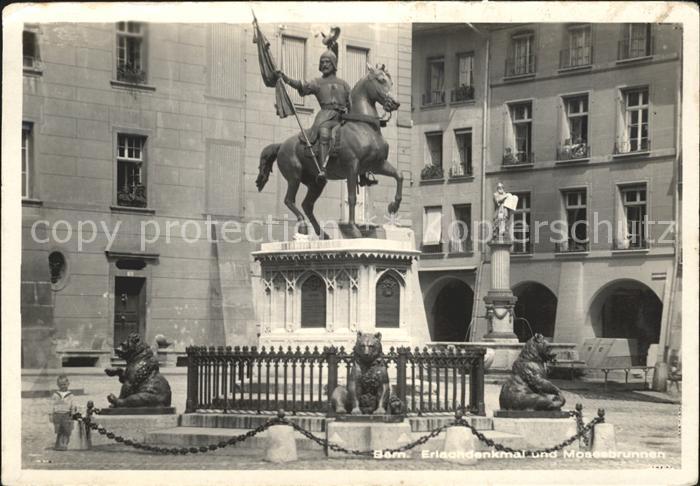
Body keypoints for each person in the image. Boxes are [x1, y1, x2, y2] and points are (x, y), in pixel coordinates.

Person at [279, 46, 351, 182]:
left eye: (327, 62)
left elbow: (351, 103)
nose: (324, 64)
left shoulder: (344, 84)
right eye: (322, 62)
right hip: (325, 117)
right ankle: (323, 169)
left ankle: (363, 172)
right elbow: (302, 85)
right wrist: (287, 79)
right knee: (324, 133)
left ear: (334, 64)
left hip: (343, 118)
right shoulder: (317, 83)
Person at [49, 374, 77, 451]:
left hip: (67, 414)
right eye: (61, 385)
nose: (63, 386)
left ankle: (65, 444)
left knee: (67, 430)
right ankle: (59, 444)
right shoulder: (55, 395)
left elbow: (73, 405)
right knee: (59, 430)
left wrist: (73, 413)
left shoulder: (71, 395)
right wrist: (50, 414)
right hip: (57, 414)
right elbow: (52, 405)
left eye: (64, 384)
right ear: (58, 385)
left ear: (68, 384)